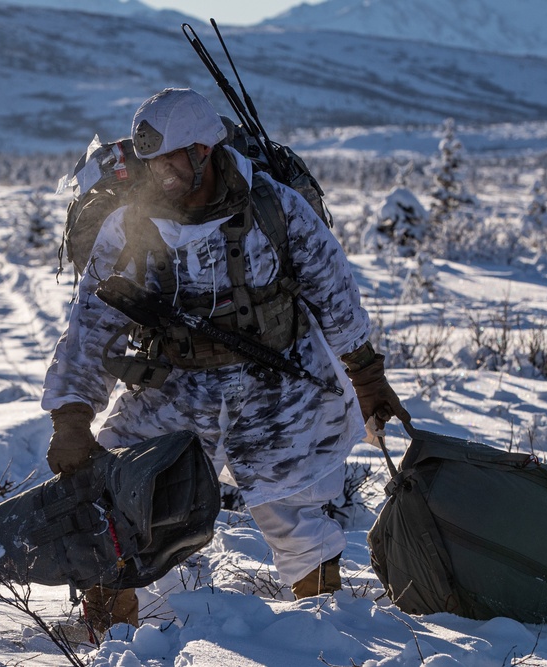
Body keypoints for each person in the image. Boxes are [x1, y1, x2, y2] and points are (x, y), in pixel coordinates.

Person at [41, 87, 409, 633]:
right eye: (150, 160)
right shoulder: (129, 228)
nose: (158, 172)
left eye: (170, 158)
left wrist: (367, 376)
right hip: (174, 389)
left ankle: (325, 636)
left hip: (278, 388)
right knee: (117, 500)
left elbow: (333, 290)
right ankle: (111, 638)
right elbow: (92, 326)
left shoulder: (274, 208)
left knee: (296, 515)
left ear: (202, 151)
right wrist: (72, 417)